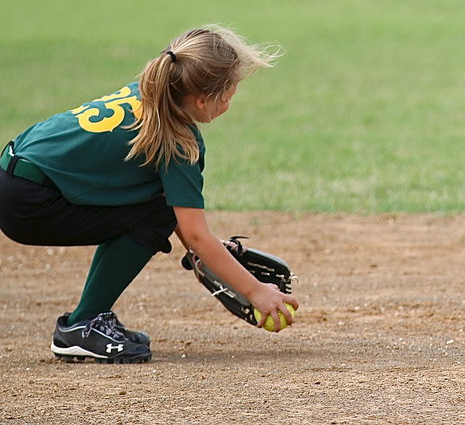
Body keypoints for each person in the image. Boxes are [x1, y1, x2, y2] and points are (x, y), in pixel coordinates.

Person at [0, 26, 299, 363]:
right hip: (31, 203)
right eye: (229, 93)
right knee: (157, 214)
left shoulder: (150, 95)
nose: (231, 101)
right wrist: (255, 291)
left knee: (155, 205)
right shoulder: (178, 140)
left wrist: (211, 255)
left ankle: (86, 321)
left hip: (13, 177)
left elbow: (190, 232)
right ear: (202, 100)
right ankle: (82, 325)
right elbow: (194, 232)